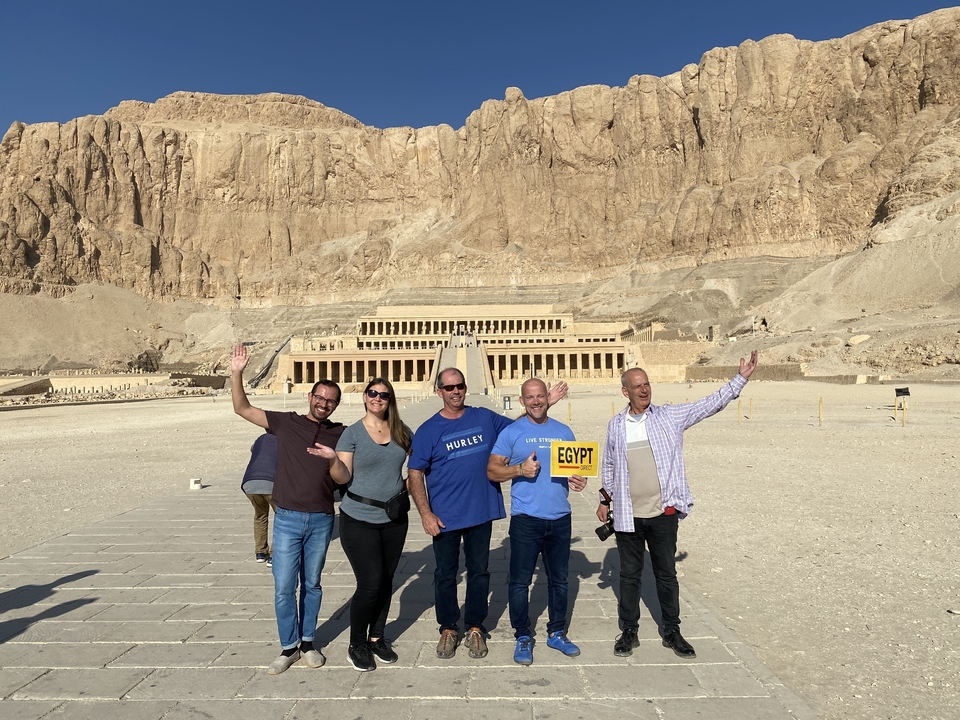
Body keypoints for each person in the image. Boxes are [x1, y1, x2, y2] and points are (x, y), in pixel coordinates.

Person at [598, 351, 758, 659]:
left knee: (666, 574)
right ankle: (628, 631)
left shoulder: (669, 416)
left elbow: (707, 405)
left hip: (663, 513)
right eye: (637, 386)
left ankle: (672, 630)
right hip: (628, 515)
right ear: (625, 391)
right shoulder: (616, 426)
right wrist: (605, 500)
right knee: (629, 576)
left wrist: (740, 379)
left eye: (647, 384)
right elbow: (608, 466)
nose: (644, 390)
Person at [408, 368, 566, 660]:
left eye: (460, 386)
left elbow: (519, 430)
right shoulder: (429, 429)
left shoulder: (483, 417)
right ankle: (447, 627)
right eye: (449, 387)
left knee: (480, 573)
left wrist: (546, 403)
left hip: (480, 511)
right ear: (439, 391)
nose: (456, 391)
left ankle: (475, 626)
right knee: (445, 574)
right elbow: (415, 472)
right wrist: (425, 513)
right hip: (445, 515)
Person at [230, 343, 344, 675]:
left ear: (336, 404)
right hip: (289, 518)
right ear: (310, 397)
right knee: (283, 585)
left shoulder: (341, 433)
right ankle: (288, 646)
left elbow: (357, 464)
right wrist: (236, 372)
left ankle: (308, 642)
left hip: (323, 518)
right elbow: (242, 408)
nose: (324, 404)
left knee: (312, 584)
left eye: (330, 401)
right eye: (319, 397)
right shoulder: (285, 423)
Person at [308, 378, 411, 673]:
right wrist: (331, 460)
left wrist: (407, 484)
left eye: (383, 394)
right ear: (365, 397)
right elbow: (342, 477)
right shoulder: (352, 434)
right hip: (358, 517)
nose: (377, 398)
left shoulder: (402, 432)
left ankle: (377, 637)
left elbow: (421, 463)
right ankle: (357, 644)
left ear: (390, 399)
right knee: (370, 583)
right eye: (372, 393)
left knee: (387, 581)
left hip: (394, 518)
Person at [487, 378, 587, 666]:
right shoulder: (512, 432)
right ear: (522, 401)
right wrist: (519, 469)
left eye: (540, 396)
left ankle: (557, 632)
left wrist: (579, 480)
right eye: (529, 397)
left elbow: (576, 470)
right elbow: (492, 470)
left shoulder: (564, 432)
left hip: (559, 517)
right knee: (520, 582)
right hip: (526, 519)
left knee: (560, 581)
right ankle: (522, 635)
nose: (535, 401)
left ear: (548, 397)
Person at [241, 432, 277, 566]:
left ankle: (260, 552)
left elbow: (252, 449)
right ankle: (275, 555)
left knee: (260, 515)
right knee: (282, 518)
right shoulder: (286, 437)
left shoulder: (261, 439)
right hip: (271, 482)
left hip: (250, 482)